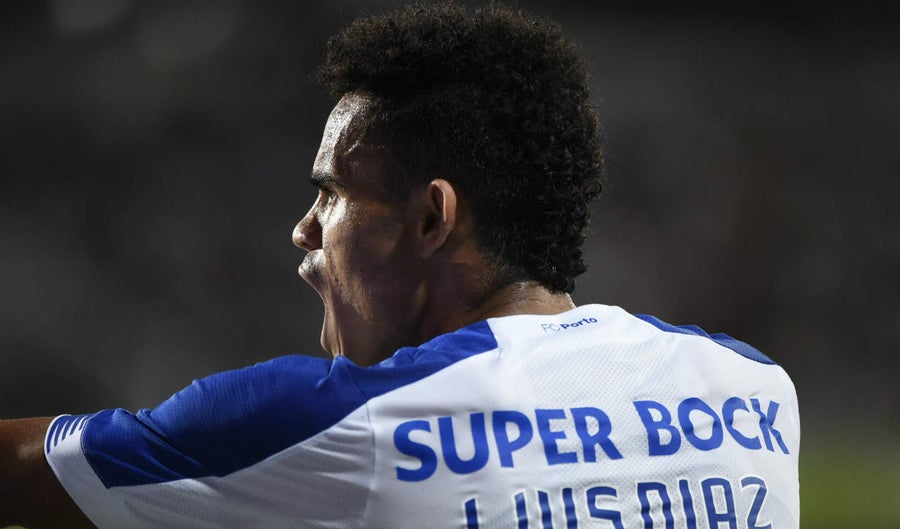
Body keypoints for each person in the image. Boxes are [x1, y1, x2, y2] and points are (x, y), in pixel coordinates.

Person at [0, 3, 800, 528]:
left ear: (431, 218)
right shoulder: (756, 391)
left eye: (331, 193)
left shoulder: (337, 424)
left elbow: (17, 469)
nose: (304, 229)